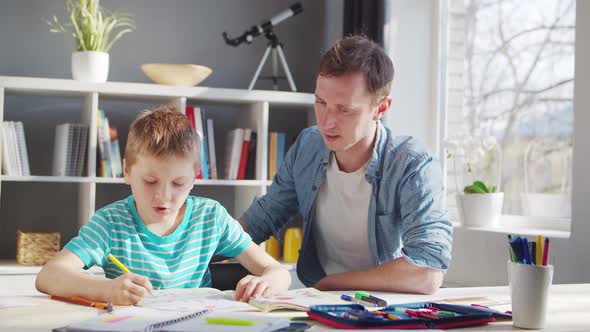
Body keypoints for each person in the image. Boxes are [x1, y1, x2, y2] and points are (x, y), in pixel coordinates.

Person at [239, 35, 452, 294]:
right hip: (317, 302)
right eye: (320, 103)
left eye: (344, 110)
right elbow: (262, 219)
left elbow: (426, 273)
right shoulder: (308, 145)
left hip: (383, 307)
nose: (326, 122)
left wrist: (332, 284)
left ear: (380, 108)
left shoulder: (413, 164)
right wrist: (189, 243)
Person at [36, 106, 291, 305]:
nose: (164, 196)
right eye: (150, 181)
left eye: (179, 183)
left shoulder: (211, 217)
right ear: (126, 171)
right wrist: (108, 290)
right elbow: (49, 275)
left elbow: (277, 271)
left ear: (194, 178)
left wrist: (267, 283)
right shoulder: (110, 224)